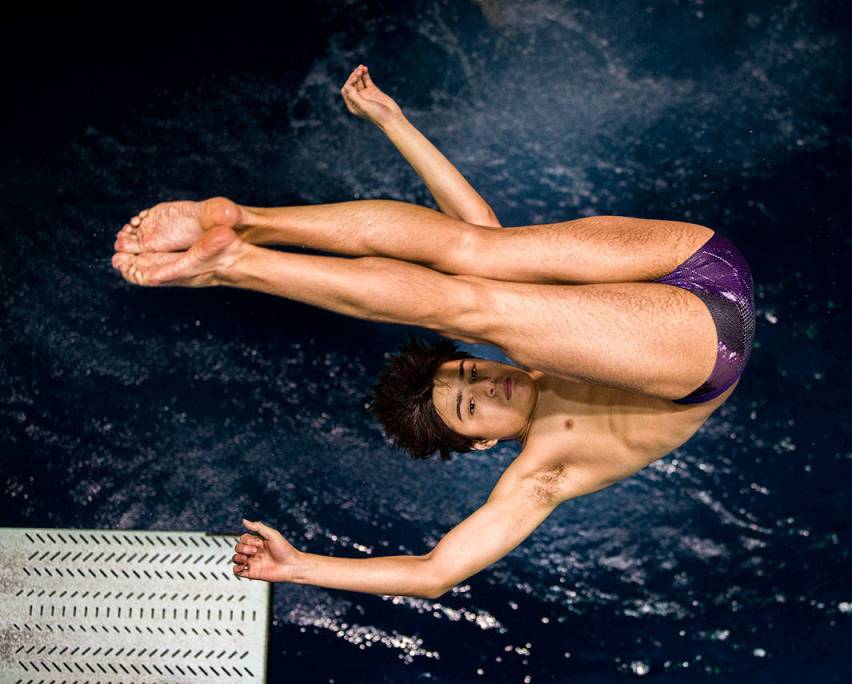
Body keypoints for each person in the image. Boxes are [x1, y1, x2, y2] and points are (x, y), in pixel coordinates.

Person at [112, 65, 755, 600]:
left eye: (470, 375)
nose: (490, 387)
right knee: (475, 299)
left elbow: (472, 227)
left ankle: (245, 227)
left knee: (478, 257)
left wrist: (396, 122)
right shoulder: (545, 472)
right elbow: (434, 573)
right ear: (479, 446)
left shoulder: (534, 344)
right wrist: (297, 566)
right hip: (710, 339)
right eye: (471, 408)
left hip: (694, 262)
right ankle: (239, 256)